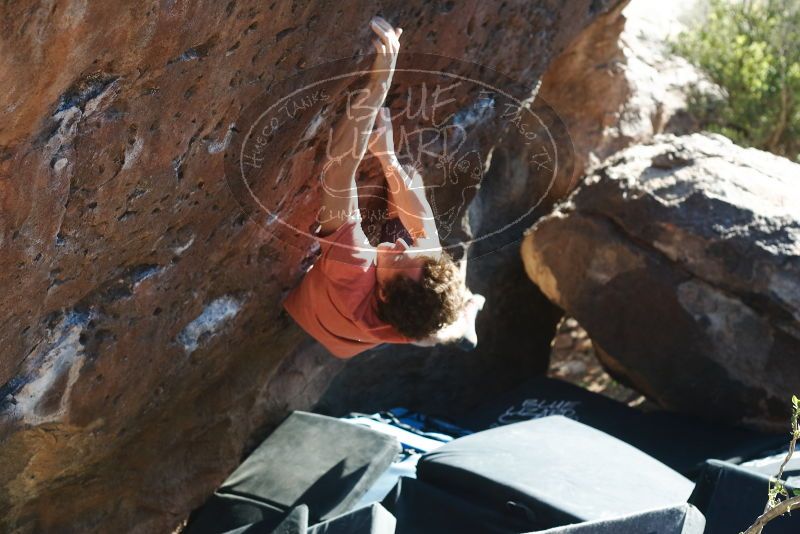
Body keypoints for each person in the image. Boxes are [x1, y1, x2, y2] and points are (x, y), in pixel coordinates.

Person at [283, 16, 468, 358]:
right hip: (363, 335)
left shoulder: (353, 272)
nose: (398, 242)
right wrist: (387, 158)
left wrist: (379, 84)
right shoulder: (412, 301)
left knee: (409, 196)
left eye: (399, 255)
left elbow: (338, 172)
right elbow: (422, 236)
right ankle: (458, 312)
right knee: (409, 186)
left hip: (318, 307)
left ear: (382, 293)